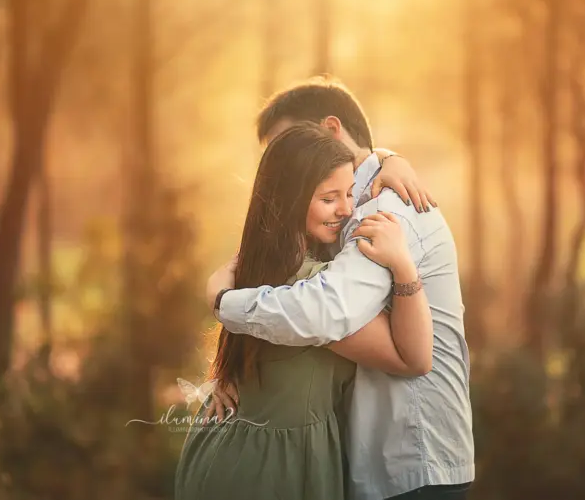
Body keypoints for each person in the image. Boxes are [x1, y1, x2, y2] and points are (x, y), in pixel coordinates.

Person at [206, 78, 474, 500]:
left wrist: (225, 304)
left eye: (293, 145)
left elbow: (329, 312)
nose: (283, 168)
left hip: (410, 457)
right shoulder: (300, 253)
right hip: (329, 462)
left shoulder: (384, 210)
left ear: (330, 131)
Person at [175, 122, 436, 500]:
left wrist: (388, 158)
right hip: (267, 472)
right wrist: (404, 267)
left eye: (350, 193)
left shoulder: (253, 265)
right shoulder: (311, 296)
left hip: (228, 451)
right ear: (290, 200)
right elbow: (415, 358)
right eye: (329, 198)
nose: (347, 209)